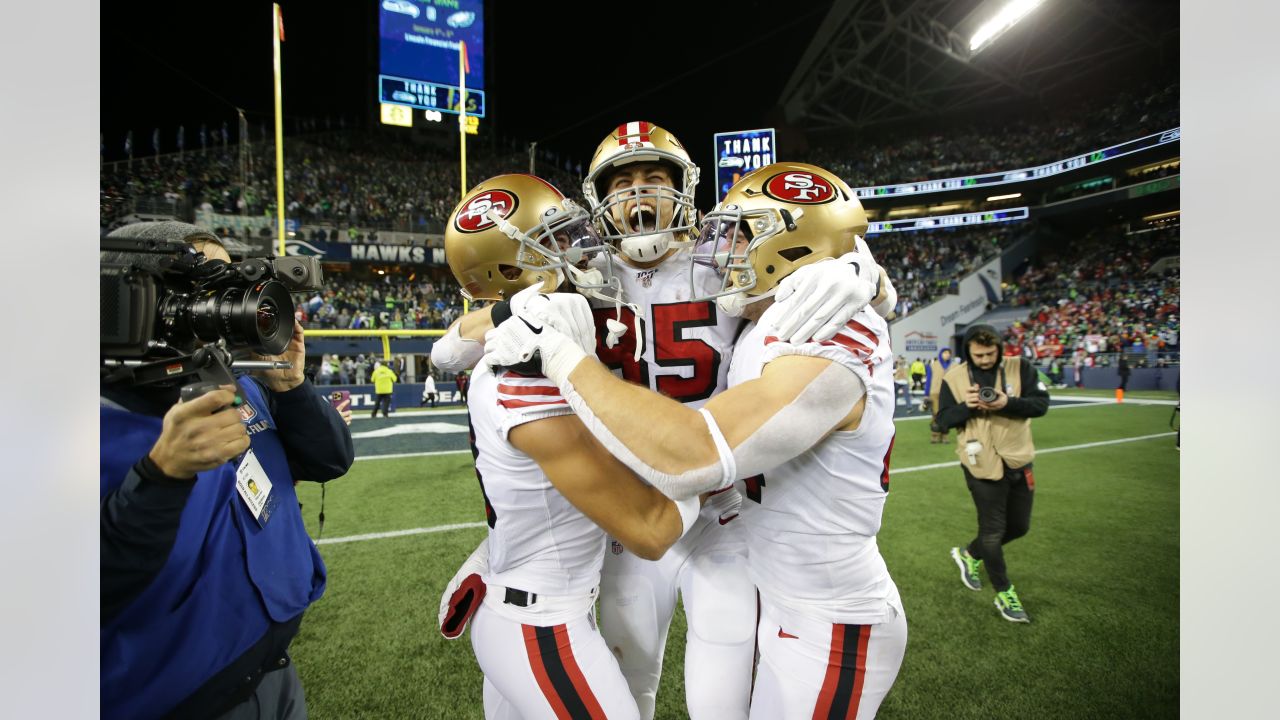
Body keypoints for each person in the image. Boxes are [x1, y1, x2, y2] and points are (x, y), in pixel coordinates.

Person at [435, 129, 893, 720]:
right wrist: (492, 320)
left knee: (724, 657)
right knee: (629, 671)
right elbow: (462, 335)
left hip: (719, 499)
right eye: (622, 183)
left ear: (682, 188)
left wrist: (867, 276)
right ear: (601, 199)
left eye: (654, 178)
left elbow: (814, 250)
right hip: (628, 500)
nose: (639, 193)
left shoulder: (725, 256)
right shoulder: (577, 269)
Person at [435, 174, 705, 719]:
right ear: (512, 271)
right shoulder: (525, 373)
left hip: (528, 596)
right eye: (555, 241)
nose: (578, 250)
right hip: (540, 622)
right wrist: (705, 468)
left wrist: (504, 313)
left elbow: (455, 344)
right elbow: (650, 531)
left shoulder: (519, 339)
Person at [101, 221, 354, 720]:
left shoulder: (239, 383)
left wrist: (292, 386)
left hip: (275, 665)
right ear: (139, 298)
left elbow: (330, 460)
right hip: (176, 699)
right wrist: (161, 474)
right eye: (208, 288)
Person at [934, 324, 1049, 623]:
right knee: (993, 531)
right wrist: (968, 406)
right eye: (978, 355)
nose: (984, 360)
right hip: (979, 463)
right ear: (968, 352)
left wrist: (1005, 402)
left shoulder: (1020, 367)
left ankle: (970, 554)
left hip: (1019, 459)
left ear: (999, 348)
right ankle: (1005, 593)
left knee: (1019, 527)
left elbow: (1041, 405)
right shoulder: (954, 378)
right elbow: (941, 421)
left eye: (990, 353)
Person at [925, 347, 959, 443]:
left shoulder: (954, 366)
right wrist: (926, 394)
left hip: (948, 393)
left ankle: (944, 436)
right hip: (934, 393)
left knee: (946, 415)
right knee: (935, 414)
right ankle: (934, 436)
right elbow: (928, 380)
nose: (947, 354)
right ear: (941, 354)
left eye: (948, 353)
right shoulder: (933, 365)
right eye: (945, 353)